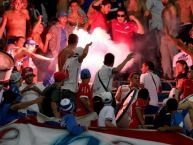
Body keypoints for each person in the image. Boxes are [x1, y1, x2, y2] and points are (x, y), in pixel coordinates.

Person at [61, 42, 92, 107]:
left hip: (63, 89)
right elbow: (85, 54)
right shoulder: (76, 60)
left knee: (64, 110)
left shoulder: (68, 60)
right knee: (70, 110)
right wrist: (87, 46)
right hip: (70, 91)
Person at [160, 0, 179, 79]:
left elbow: (175, 21)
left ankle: (176, 75)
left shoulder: (172, 7)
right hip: (165, 36)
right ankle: (167, 75)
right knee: (165, 57)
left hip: (172, 36)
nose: (162, 0)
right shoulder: (165, 9)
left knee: (173, 57)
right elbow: (165, 23)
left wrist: (170, 34)